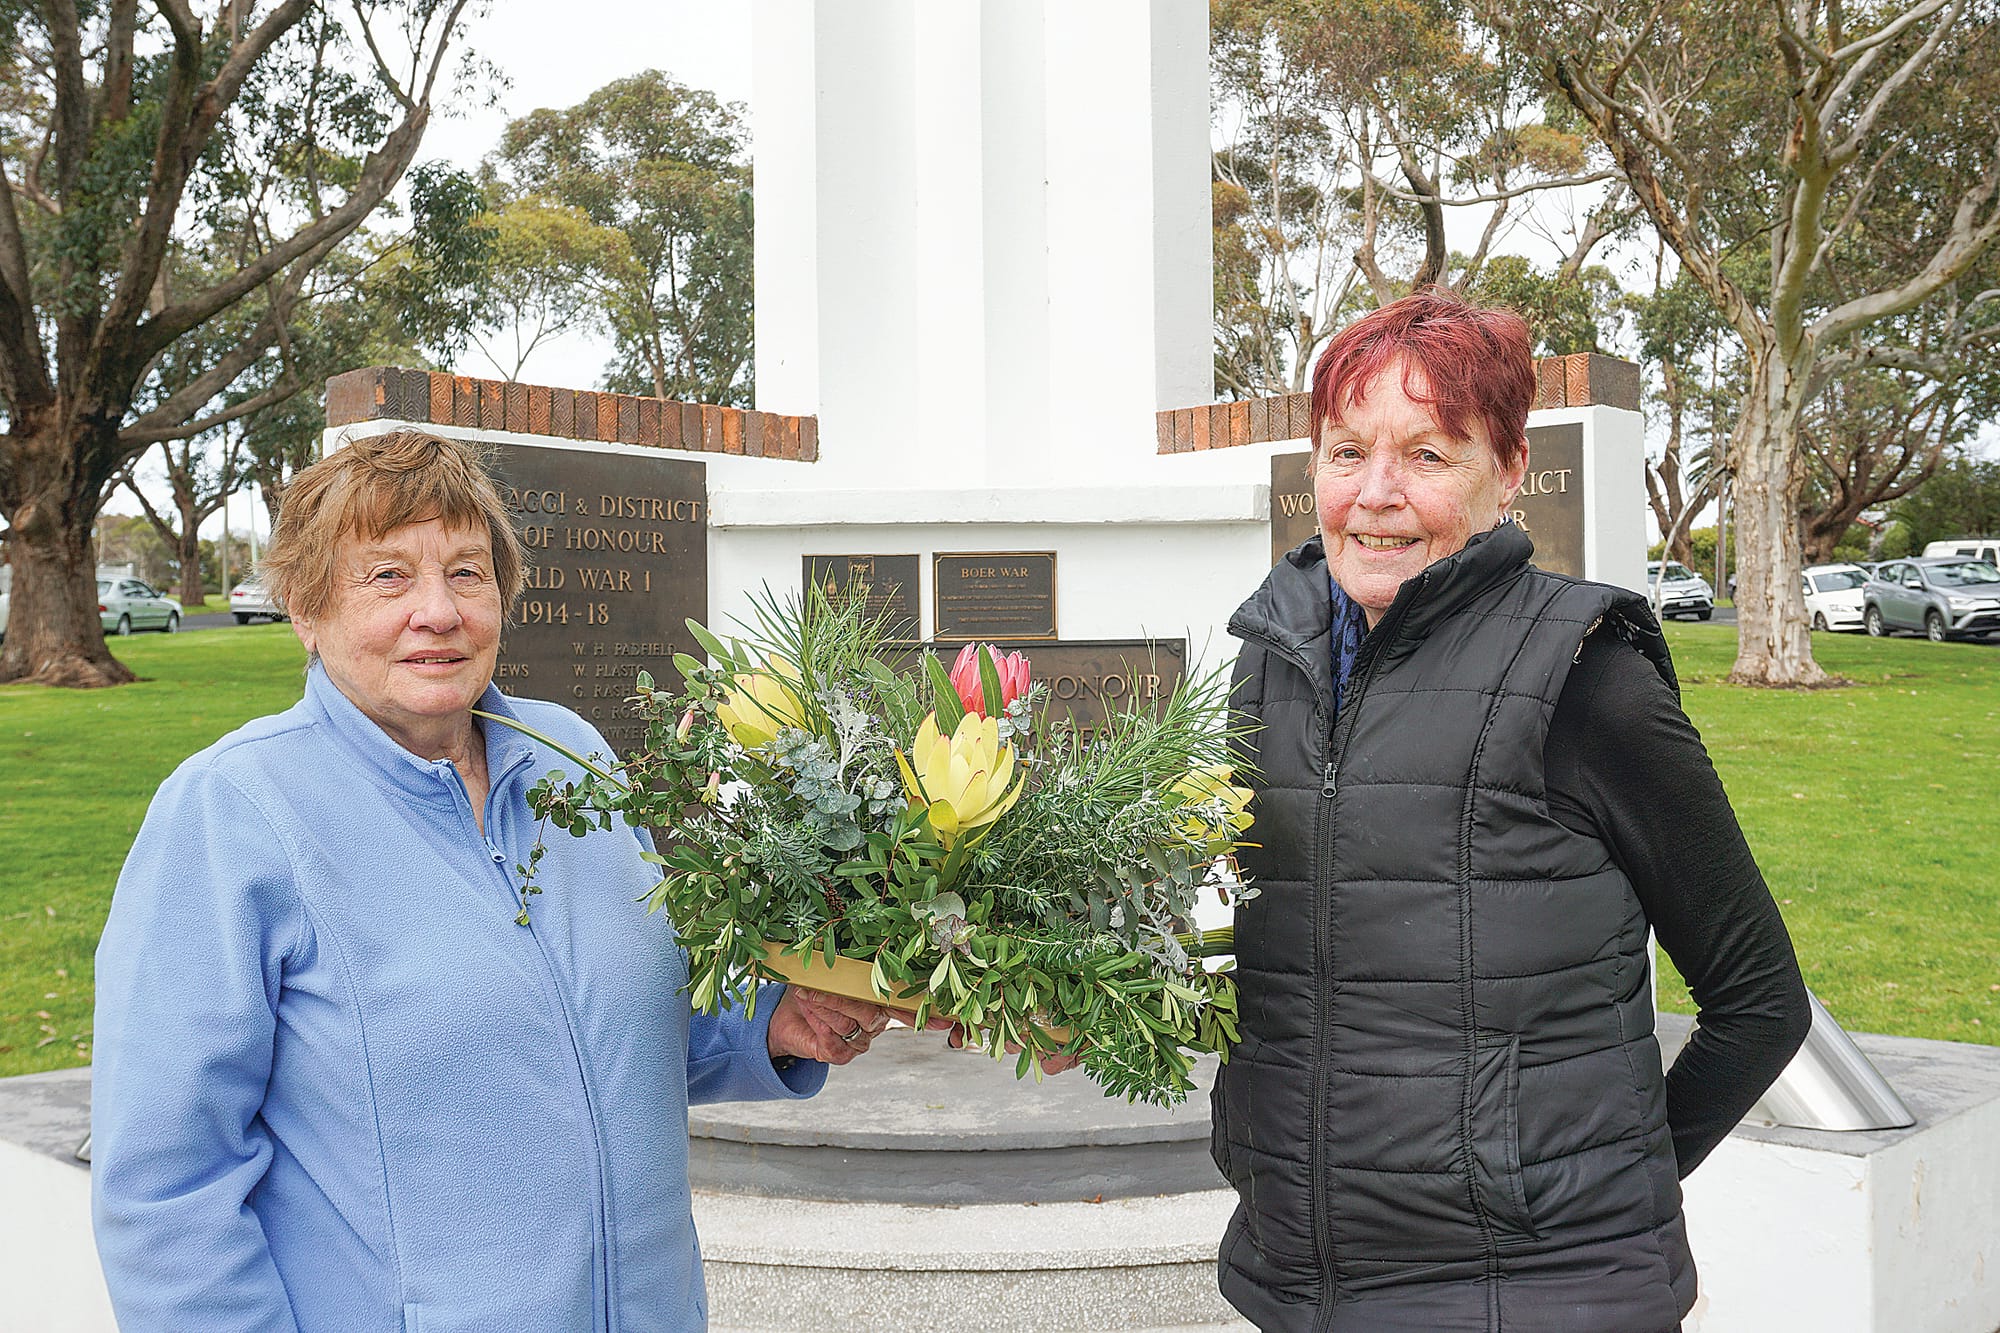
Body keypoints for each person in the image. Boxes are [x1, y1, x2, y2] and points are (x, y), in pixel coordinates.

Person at [91, 430, 895, 1331]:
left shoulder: (573, 757)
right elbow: (166, 1191)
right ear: (307, 612)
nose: (436, 610)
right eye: (388, 575)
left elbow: (622, 1023)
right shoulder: (232, 815)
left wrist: (775, 1023)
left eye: (467, 573)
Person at [1211, 290, 1810, 1332]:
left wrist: (1597, 1200)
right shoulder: (1270, 664)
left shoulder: (1585, 673)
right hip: (1296, 1286)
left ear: (1507, 470)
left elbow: (1758, 1001)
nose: (1375, 494)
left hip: (1535, 1299)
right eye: (1345, 452)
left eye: (1429, 456)